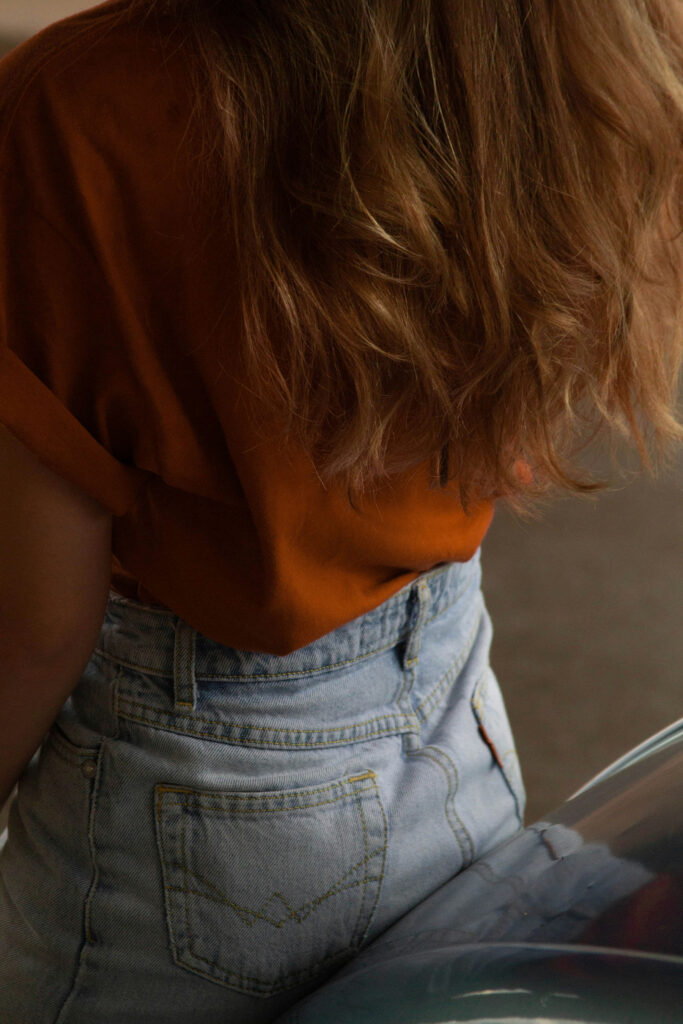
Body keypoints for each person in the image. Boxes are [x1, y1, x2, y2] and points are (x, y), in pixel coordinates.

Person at [0, 1, 680, 1021]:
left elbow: (35, 628)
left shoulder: (78, 109)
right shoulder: (550, 55)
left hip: (180, 818)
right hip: (456, 734)